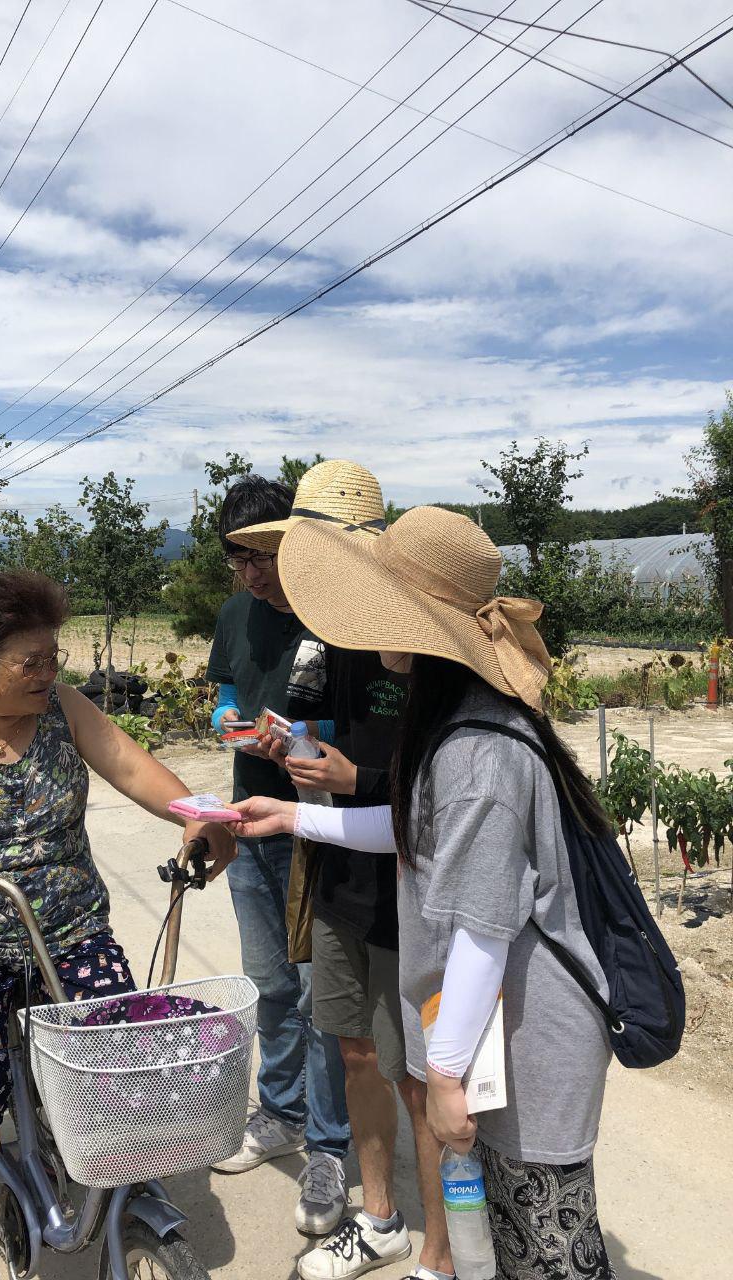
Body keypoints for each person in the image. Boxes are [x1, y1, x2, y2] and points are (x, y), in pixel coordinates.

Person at [233, 506, 618, 1280]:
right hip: (500, 1027)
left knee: (547, 1246)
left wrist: (443, 1077)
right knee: (509, 1240)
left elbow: (481, 925)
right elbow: (413, 830)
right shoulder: (460, 722)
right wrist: (294, 815)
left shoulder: (475, 750)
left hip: (530, 1041)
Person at [0, 570, 236, 1280]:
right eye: (29, 662)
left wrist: (199, 814)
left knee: (123, 1050)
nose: (48, 674)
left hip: (67, 927)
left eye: (52, 658)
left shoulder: (63, 708)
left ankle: (110, 1161)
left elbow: (130, 764)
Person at [230, 464, 452, 1280]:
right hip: (340, 879)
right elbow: (336, 732)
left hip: (405, 891)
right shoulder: (335, 639)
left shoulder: (417, 645)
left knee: (422, 1078)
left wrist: (350, 780)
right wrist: (299, 753)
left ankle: (441, 1250)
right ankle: (381, 1216)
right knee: (355, 1049)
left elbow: (439, 790)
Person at [205, 471, 350, 1237]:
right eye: (239, 559)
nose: (251, 574)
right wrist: (233, 719)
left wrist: (297, 737)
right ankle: (282, 1113)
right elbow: (226, 689)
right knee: (268, 981)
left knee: (319, 989)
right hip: (249, 819)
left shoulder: (335, 620)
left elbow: (350, 734)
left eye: (261, 556)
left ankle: (330, 1144)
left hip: (320, 831)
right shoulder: (235, 614)